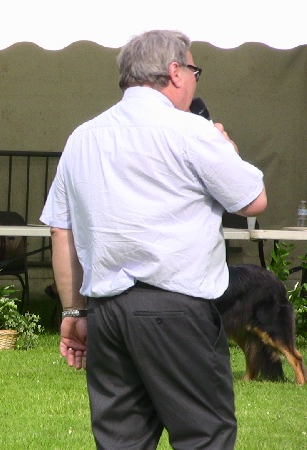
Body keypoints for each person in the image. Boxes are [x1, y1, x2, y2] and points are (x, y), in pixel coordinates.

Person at [40, 30, 267, 448]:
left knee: (121, 442)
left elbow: (61, 230)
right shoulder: (192, 130)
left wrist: (73, 311)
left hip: (107, 312)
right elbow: (253, 200)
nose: (195, 80)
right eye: (195, 70)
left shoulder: (83, 136)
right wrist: (227, 147)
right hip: (177, 308)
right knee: (204, 437)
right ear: (175, 72)